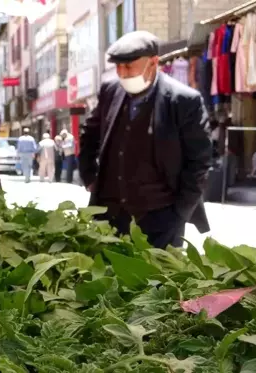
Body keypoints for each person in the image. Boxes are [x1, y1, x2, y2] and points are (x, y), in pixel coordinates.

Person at [78, 30, 211, 249]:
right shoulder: (110, 91)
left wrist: (179, 212)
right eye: (118, 67)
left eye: (129, 66)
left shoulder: (184, 101)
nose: (123, 73)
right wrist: (89, 176)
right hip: (109, 216)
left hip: (160, 219)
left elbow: (199, 161)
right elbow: (89, 133)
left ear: (153, 63)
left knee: (157, 280)